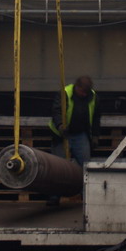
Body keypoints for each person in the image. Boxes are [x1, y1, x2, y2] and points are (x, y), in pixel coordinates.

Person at [46, 75, 100, 205]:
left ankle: (86, 195)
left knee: (85, 165)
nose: (83, 95)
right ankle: (54, 196)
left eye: (85, 93)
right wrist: (60, 126)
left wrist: (95, 136)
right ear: (77, 87)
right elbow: (56, 111)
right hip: (62, 135)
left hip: (80, 134)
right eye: (81, 92)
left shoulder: (93, 97)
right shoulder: (65, 93)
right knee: (57, 167)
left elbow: (96, 118)